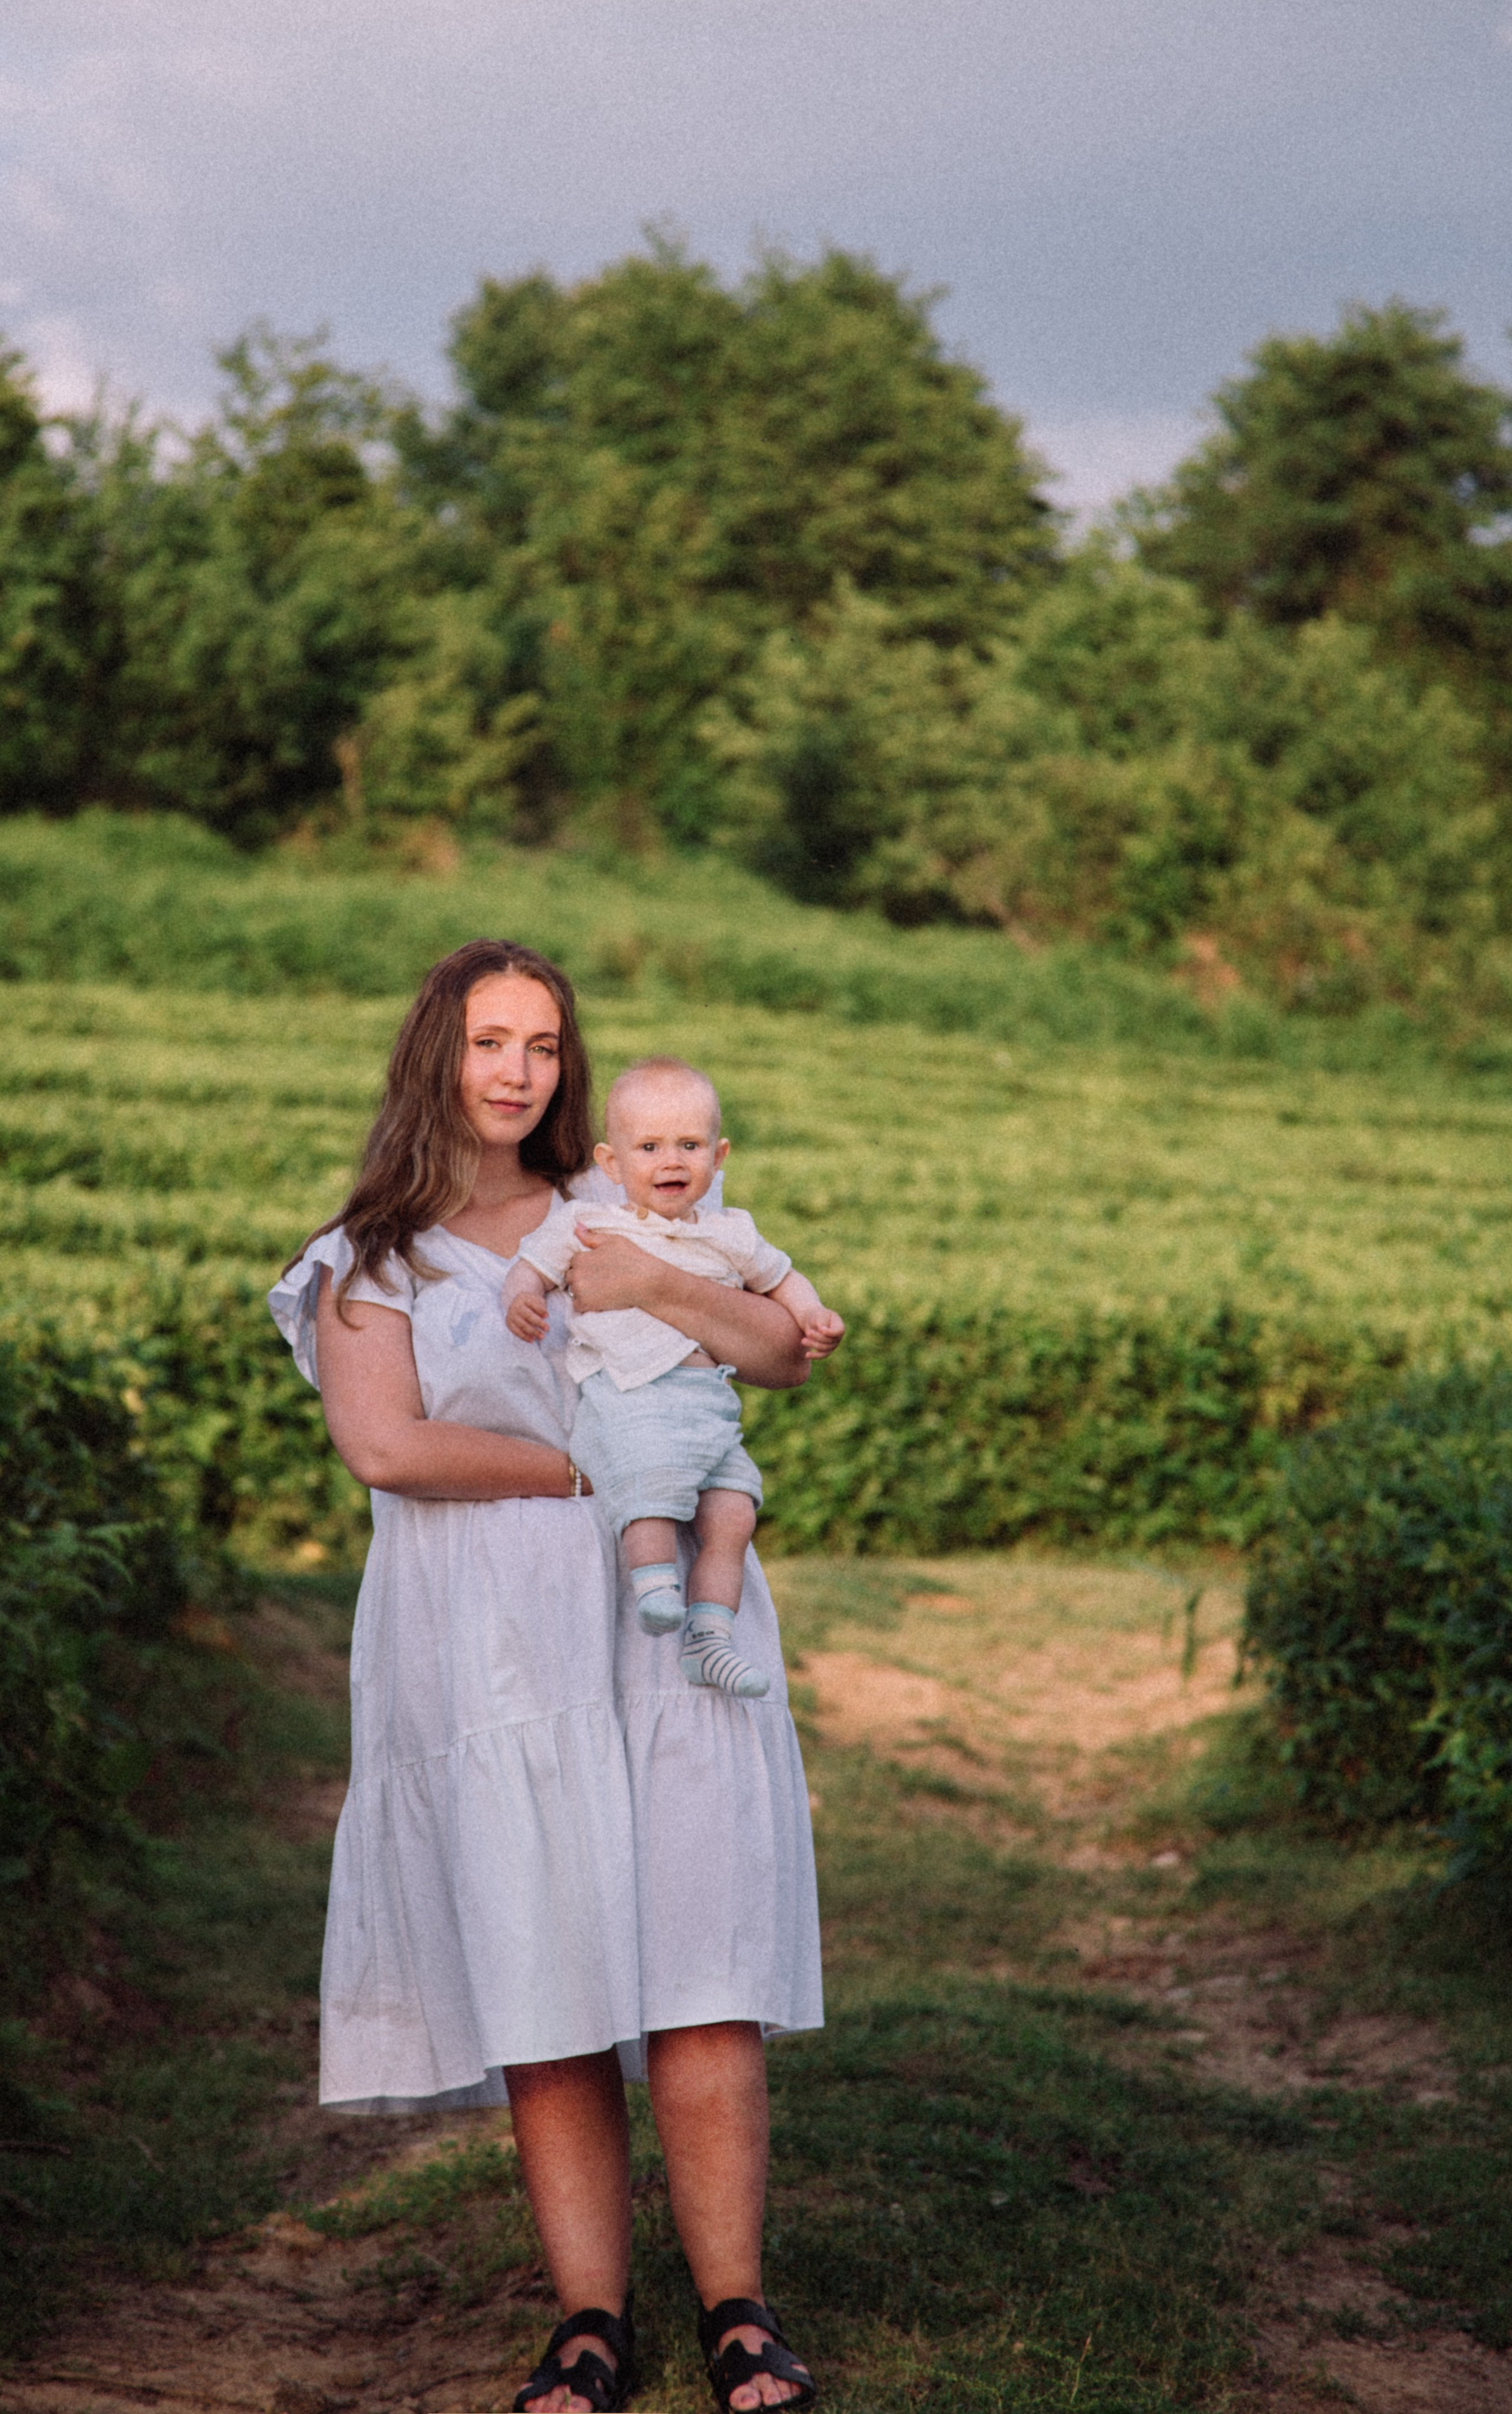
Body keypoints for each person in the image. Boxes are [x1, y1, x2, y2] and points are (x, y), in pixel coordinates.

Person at [268, 941, 822, 2414]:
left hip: (660, 1637)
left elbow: (780, 1354)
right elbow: (387, 1447)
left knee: (702, 1959)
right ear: (433, 1056)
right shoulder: (365, 1258)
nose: (516, 1071)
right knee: (552, 1970)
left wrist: (650, 1277)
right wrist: (600, 1464)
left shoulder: (617, 1201)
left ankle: (736, 2310)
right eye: (488, 1041)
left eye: (542, 1046)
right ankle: (588, 2316)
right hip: (492, 1655)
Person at [503, 1055, 844, 1700]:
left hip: (707, 1406)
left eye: (689, 1146)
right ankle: (654, 1581)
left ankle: (710, 1637)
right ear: (611, 1163)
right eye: (650, 1147)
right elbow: (533, 1265)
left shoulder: (729, 1233)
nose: (671, 1162)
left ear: (718, 1157)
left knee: (734, 1514)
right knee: (648, 1486)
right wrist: (520, 1296)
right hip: (634, 1392)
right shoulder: (592, 1226)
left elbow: (780, 1277)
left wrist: (812, 1313)